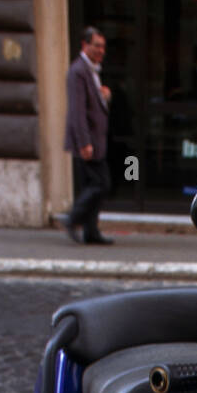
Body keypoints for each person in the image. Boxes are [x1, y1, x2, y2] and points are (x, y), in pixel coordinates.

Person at [64, 27, 113, 245]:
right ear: (85, 45)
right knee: (101, 184)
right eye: (97, 46)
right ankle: (73, 218)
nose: (101, 50)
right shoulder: (78, 71)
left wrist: (105, 97)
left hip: (96, 142)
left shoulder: (91, 70)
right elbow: (77, 111)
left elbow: (93, 106)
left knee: (93, 185)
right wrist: (84, 142)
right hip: (88, 143)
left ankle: (90, 231)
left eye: (103, 46)